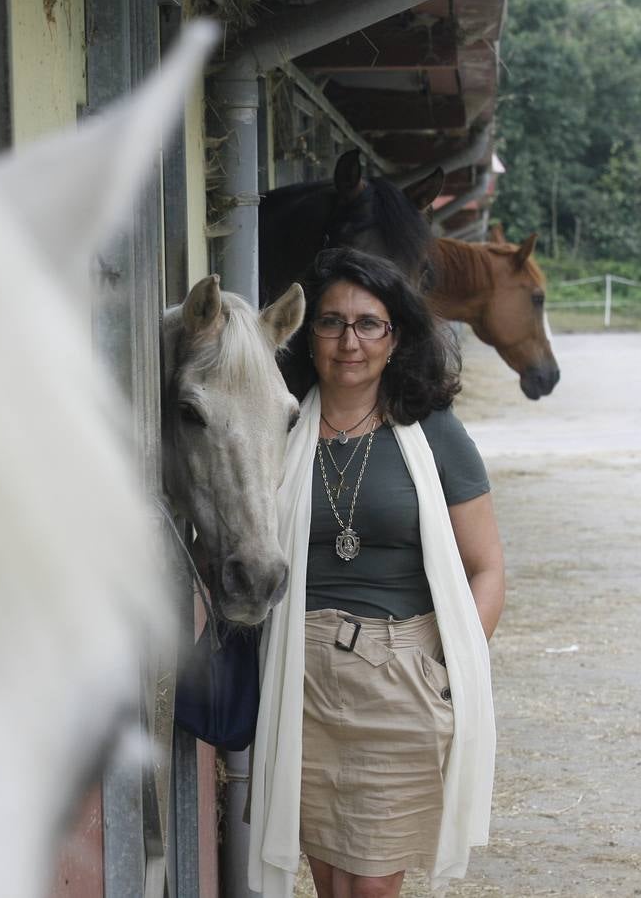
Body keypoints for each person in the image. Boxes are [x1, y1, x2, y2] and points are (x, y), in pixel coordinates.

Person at [248, 248, 504, 898]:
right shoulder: (275, 429)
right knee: (332, 883)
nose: (349, 341)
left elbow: (487, 568)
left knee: (370, 887)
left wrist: (449, 674)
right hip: (296, 678)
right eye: (331, 322)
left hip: (400, 678)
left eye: (369, 323)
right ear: (309, 337)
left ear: (397, 337)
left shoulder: (434, 433)